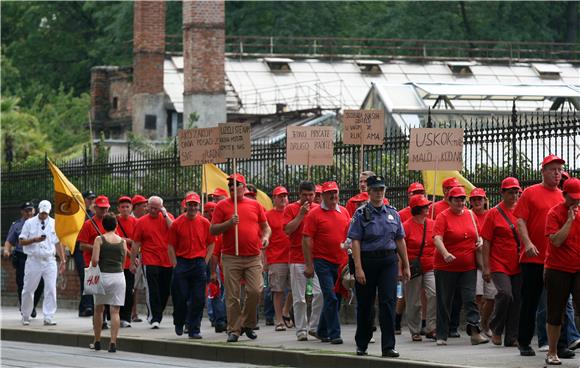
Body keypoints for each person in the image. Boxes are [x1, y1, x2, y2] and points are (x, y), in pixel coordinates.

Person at [514, 154, 574, 358]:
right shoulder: (530, 193)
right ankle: (523, 342)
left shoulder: (563, 196)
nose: (557, 173)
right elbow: (520, 221)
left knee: (560, 304)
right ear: (543, 171)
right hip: (533, 258)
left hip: (557, 261)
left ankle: (561, 346)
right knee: (530, 302)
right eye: (553, 169)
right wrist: (528, 243)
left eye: (559, 170)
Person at [349, 176, 411, 357]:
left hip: (388, 262)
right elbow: (356, 242)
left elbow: (400, 240)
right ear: (368, 192)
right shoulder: (360, 214)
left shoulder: (393, 213)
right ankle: (362, 343)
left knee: (388, 303)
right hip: (367, 261)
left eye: (381, 189)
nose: (378, 193)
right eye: (375, 190)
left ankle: (388, 346)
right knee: (366, 305)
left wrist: (405, 265)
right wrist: (358, 268)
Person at [210, 173, 271, 343]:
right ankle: (234, 330)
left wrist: (265, 238)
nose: (232, 187)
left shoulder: (255, 205)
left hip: (253, 256)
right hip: (231, 256)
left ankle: (248, 324)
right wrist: (229, 223)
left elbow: (266, 227)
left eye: (236, 184)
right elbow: (213, 230)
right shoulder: (222, 206)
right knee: (233, 296)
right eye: (230, 184)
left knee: (255, 291)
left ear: (243, 188)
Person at [432, 186, 489, 346]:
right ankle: (442, 334)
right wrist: (445, 254)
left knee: (470, 299)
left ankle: (475, 333)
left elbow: (479, 235)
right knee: (444, 301)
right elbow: (437, 238)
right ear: (449, 200)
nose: (460, 202)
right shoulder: (443, 217)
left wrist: (480, 242)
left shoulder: (471, 215)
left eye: (462, 199)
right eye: (456, 199)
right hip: (445, 267)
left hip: (468, 267)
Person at [302, 181, 350, 345]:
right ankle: (335, 333)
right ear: (322, 195)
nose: (333, 196)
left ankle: (322, 330)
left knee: (336, 297)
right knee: (330, 296)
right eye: (329, 193)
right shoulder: (314, 214)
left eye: (335, 192)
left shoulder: (344, 212)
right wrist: (309, 265)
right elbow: (307, 239)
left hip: (341, 262)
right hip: (322, 261)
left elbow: (349, 236)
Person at [481, 177, 522, 347]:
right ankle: (496, 328)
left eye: (516, 192)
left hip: (519, 262)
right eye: (510, 192)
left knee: (517, 300)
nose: (514, 196)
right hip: (499, 262)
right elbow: (486, 242)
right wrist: (486, 267)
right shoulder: (493, 213)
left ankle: (511, 336)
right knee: (505, 294)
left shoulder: (522, 210)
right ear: (502, 193)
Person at [168, 193, 215, 339]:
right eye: (190, 204)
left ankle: (194, 329)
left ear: (199, 206)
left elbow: (212, 242)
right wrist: (175, 263)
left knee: (198, 298)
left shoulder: (205, 223)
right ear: (185, 205)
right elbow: (170, 245)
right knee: (180, 297)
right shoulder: (177, 223)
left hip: (198, 263)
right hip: (182, 262)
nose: (193, 207)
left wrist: (205, 261)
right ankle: (179, 322)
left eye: (195, 205)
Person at [544, 177, 580, 365]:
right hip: (557, 269)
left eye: (579, 198)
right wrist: (569, 221)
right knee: (555, 313)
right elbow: (556, 241)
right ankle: (552, 351)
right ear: (564, 194)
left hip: (578, 268)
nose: (576, 201)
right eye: (572, 198)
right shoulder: (554, 213)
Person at [283, 180, 323, 341]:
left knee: (319, 293)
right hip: (297, 258)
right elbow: (287, 229)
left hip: (316, 258)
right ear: (299, 194)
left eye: (311, 195)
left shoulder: (319, 209)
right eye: (304, 195)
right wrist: (300, 215)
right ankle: (301, 330)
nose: (308, 198)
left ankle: (314, 326)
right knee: (299, 297)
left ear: (315, 195)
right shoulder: (291, 208)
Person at [19, 200, 66, 326]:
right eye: (42, 213)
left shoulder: (54, 223)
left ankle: (49, 316)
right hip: (33, 259)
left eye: (46, 213)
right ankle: (26, 314)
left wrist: (63, 259)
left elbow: (57, 242)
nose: (43, 215)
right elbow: (21, 241)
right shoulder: (29, 223)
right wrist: (35, 240)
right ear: (38, 210)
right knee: (28, 289)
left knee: (51, 289)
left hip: (49, 260)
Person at [131, 196, 174, 329]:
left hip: (167, 260)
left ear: (162, 207)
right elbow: (136, 243)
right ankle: (154, 317)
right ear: (147, 207)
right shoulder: (142, 222)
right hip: (150, 260)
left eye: (157, 208)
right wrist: (133, 261)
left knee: (165, 289)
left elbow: (174, 230)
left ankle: (157, 312)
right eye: (152, 208)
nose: (154, 211)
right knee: (153, 289)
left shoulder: (168, 217)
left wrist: (165, 214)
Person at [90, 213, 128, 353]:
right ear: (116, 225)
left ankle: (97, 340)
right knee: (115, 311)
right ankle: (113, 343)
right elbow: (124, 261)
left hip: (103, 276)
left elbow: (94, 261)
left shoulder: (99, 239)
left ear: (103, 225)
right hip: (118, 276)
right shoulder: (122, 241)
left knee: (99, 310)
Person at [403, 194, 436, 342]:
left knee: (434, 293)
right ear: (417, 209)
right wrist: (402, 268)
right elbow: (400, 249)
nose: (428, 208)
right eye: (424, 206)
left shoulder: (433, 224)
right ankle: (415, 330)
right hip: (413, 267)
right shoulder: (406, 226)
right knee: (413, 300)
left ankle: (431, 327)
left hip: (430, 265)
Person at [3, 201, 44, 318]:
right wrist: (6, 250)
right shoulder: (17, 225)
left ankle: (32, 306)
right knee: (22, 284)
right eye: (26, 211)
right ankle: (24, 307)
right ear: (22, 212)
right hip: (22, 258)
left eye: (30, 210)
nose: (29, 213)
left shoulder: (41, 223)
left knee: (40, 284)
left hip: (37, 257)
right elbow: (9, 240)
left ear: (34, 211)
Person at [265, 186, 293, 331]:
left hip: (293, 256)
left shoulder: (292, 211)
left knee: (295, 288)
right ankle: (279, 320)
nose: (283, 198)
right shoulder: (268, 215)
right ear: (274, 199)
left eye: (285, 196)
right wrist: (265, 259)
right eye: (279, 196)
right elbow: (263, 236)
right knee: (278, 290)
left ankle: (285, 311)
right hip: (276, 257)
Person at [469, 188, 495, 336]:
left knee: (491, 297)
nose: (477, 202)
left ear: (485, 200)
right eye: (474, 199)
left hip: (490, 261)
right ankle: (478, 324)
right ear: (470, 201)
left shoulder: (491, 215)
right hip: (474, 263)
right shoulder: (468, 215)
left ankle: (485, 323)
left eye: (480, 199)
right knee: (478, 296)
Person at [115, 196, 138, 328]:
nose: (125, 209)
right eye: (122, 206)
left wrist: (126, 240)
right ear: (118, 208)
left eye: (127, 206)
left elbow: (138, 239)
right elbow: (116, 238)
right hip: (118, 261)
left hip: (130, 262)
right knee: (115, 290)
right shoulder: (115, 221)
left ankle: (125, 317)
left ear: (131, 208)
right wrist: (129, 240)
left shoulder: (135, 222)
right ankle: (112, 315)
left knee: (129, 290)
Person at [75, 190, 96, 317]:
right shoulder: (79, 214)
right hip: (80, 249)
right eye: (89, 199)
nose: (91, 201)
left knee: (90, 278)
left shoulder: (94, 214)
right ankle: (88, 305)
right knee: (85, 277)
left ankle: (84, 307)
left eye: (93, 199)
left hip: (93, 248)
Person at [130, 194, 147, 323]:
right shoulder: (131, 220)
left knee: (144, 286)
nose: (146, 208)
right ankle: (133, 312)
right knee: (133, 286)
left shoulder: (146, 220)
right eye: (143, 206)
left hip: (145, 255)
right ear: (136, 207)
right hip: (134, 255)